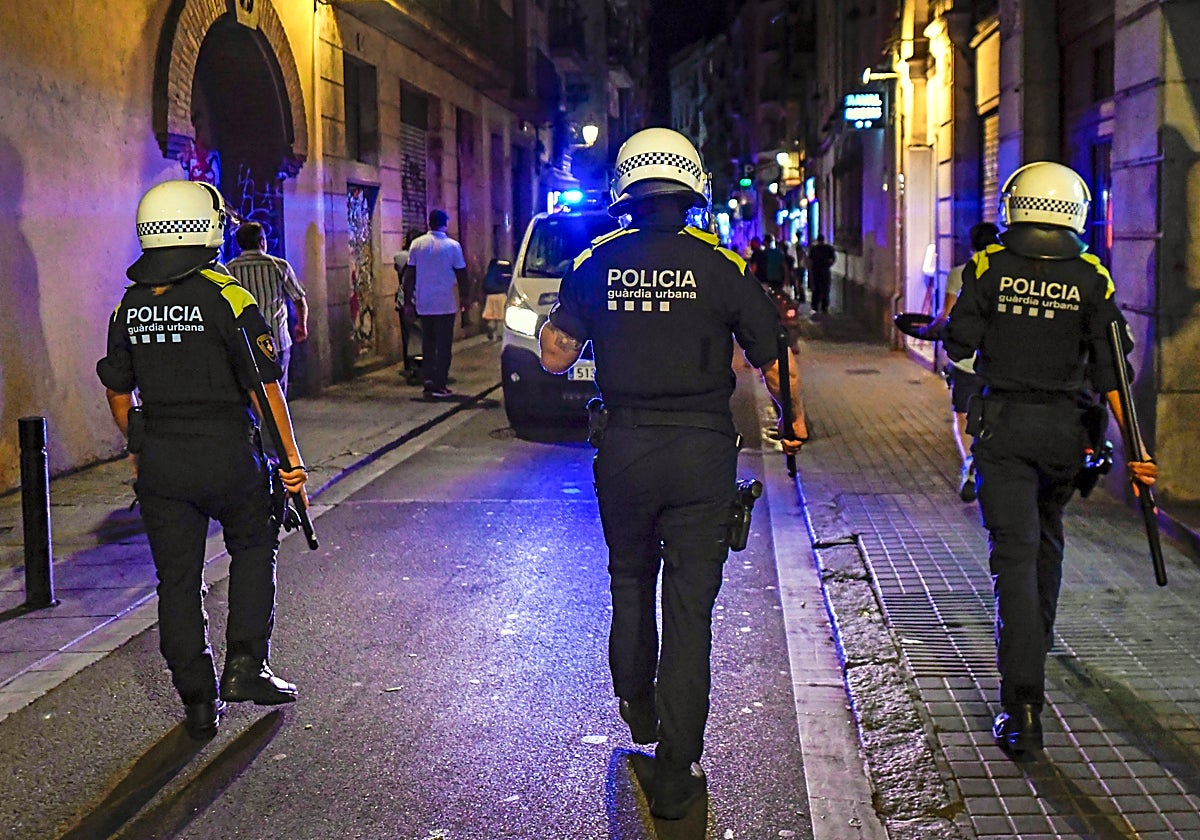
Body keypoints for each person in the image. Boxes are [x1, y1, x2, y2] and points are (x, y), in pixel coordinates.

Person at [537, 127, 808, 820]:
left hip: (626, 447)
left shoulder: (597, 261)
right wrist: (793, 418)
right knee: (690, 611)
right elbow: (769, 359)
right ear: (691, 189)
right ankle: (677, 769)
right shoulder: (720, 264)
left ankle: (637, 705)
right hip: (701, 454)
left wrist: (577, 317)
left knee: (629, 579)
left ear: (625, 190)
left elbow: (554, 358)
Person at [943, 161, 1158, 755]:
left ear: (1014, 205)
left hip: (1004, 432)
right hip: (1065, 436)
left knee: (1013, 560)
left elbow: (958, 341)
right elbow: (1114, 369)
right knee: (1047, 542)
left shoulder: (989, 266)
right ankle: (1034, 646)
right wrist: (1139, 452)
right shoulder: (1091, 275)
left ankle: (1022, 705)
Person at [97, 180, 308, 740]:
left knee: (177, 581)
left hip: (163, 459)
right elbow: (267, 388)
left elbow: (119, 393)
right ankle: (246, 666)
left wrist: (141, 440)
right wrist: (292, 465)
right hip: (227, 453)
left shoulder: (129, 304)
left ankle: (197, 700)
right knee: (253, 546)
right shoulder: (228, 295)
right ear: (204, 227)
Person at [932, 221, 1000, 502]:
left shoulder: (960, 273)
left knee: (962, 414)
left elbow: (947, 315)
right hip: (997, 360)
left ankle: (971, 461)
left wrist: (929, 330)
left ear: (971, 245)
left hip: (966, 361)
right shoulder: (1004, 273)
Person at [226, 222, 308, 395]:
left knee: (249, 392)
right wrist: (302, 325)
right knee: (278, 391)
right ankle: (276, 421)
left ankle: (255, 421)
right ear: (262, 242)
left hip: (243, 343)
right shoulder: (279, 266)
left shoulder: (229, 270)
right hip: (277, 340)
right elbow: (299, 300)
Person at [401, 209, 467, 398]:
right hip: (445, 303)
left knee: (428, 344)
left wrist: (408, 301)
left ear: (429, 223)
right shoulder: (453, 246)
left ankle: (428, 379)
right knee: (444, 346)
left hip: (424, 302)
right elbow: (462, 274)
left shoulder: (416, 245)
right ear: (445, 223)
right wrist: (465, 298)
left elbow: (410, 276)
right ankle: (440, 383)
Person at [393, 228, 423, 380]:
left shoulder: (399, 257)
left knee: (407, 335)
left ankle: (409, 365)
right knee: (421, 335)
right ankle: (420, 366)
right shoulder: (422, 258)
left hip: (403, 300)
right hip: (420, 300)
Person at [807, 234, 835, 317]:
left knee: (816, 289)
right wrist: (829, 264)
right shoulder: (829, 248)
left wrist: (810, 269)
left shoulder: (814, 249)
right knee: (825, 289)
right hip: (825, 271)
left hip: (816, 271)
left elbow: (810, 260)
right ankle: (824, 306)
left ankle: (815, 306)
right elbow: (833, 258)